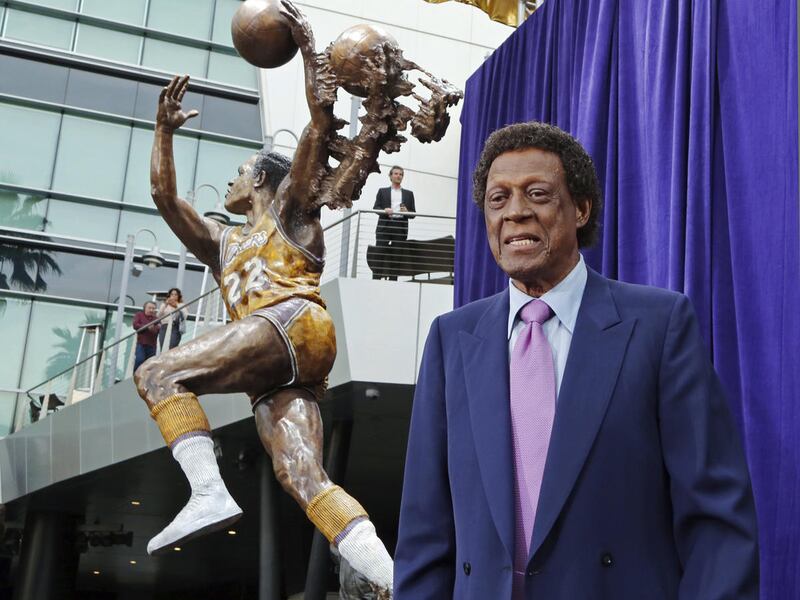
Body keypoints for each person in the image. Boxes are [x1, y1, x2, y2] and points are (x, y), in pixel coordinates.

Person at [133, 1, 461, 594]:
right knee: (303, 476)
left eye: (239, 171)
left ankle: (207, 491)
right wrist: (162, 131)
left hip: (288, 323)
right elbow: (164, 196)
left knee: (158, 372)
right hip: (288, 366)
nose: (231, 180)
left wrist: (309, 48)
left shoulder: (291, 211)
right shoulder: (222, 243)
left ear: (261, 178)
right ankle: (394, 581)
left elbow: (316, 125)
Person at [394, 122, 759, 599]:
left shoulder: (659, 325)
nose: (516, 212)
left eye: (538, 193)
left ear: (581, 208)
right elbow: (425, 533)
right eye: (498, 198)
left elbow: (717, 520)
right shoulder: (451, 339)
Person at [373, 166, 416, 280]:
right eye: (396, 174)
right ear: (390, 176)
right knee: (379, 255)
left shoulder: (408, 194)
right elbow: (376, 207)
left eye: (401, 174)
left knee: (397, 257)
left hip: (400, 227)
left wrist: (407, 212)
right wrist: (384, 211)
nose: (398, 176)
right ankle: (375, 281)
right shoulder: (382, 191)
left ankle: (393, 282)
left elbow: (413, 214)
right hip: (385, 225)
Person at [132, 301, 161, 372]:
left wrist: (153, 328)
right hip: (141, 343)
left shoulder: (156, 319)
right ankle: (135, 376)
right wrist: (147, 327)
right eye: (149, 308)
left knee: (149, 366)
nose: (151, 310)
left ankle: (143, 381)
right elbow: (135, 325)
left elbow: (158, 329)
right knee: (139, 360)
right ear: (145, 308)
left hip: (152, 345)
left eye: (153, 308)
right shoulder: (139, 315)